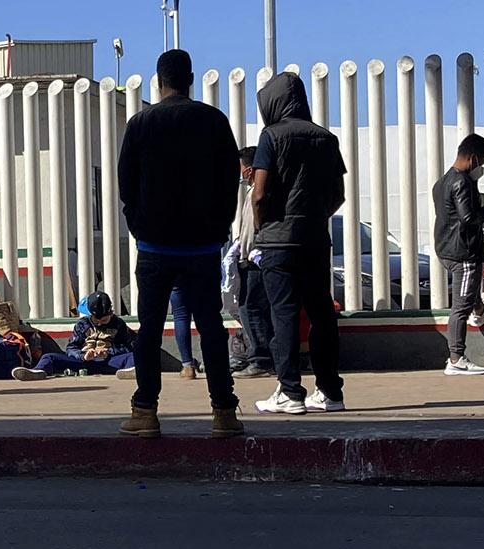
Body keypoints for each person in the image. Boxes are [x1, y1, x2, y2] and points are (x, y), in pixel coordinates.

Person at [115, 49, 243, 439]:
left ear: (158, 81)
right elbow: (229, 181)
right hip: (202, 247)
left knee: (150, 330)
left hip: (155, 247)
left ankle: (145, 410)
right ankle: (223, 413)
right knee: (212, 328)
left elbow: (126, 185)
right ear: (190, 79)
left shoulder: (141, 124)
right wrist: (219, 228)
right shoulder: (213, 121)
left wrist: (140, 228)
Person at [252, 70, 348, 417]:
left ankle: (290, 391)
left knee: (284, 314)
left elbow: (259, 194)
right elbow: (339, 194)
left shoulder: (271, 136)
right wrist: (315, 217)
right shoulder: (326, 138)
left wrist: (264, 228)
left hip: (279, 242)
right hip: (315, 240)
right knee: (322, 313)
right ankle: (330, 392)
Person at [433, 135, 484, 377]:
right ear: (472, 158)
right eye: (481, 161)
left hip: (446, 249)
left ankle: (478, 308)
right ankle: (456, 358)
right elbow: (468, 218)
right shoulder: (462, 182)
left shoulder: (441, 182)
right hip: (464, 252)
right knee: (460, 307)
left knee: (468, 295)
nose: (482, 166)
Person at [225, 145, 274, 379]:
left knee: (250, 308)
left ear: (250, 169)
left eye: (242, 168)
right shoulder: (251, 192)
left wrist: (253, 250)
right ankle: (261, 357)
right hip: (247, 258)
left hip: (257, 260)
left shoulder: (261, 193)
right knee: (250, 308)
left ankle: (261, 359)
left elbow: (258, 226)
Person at [12, 291, 137, 380]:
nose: (99, 323)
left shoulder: (118, 324)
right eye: (95, 320)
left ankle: (131, 371)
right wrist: (83, 355)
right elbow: (71, 348)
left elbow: (127, 347)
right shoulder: (82, 324)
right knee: (49, 357)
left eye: (104, 320)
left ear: (111, 313)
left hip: (109, 362)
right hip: (83, 362)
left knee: (133, 356)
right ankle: (38, 371)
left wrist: (108, 352)